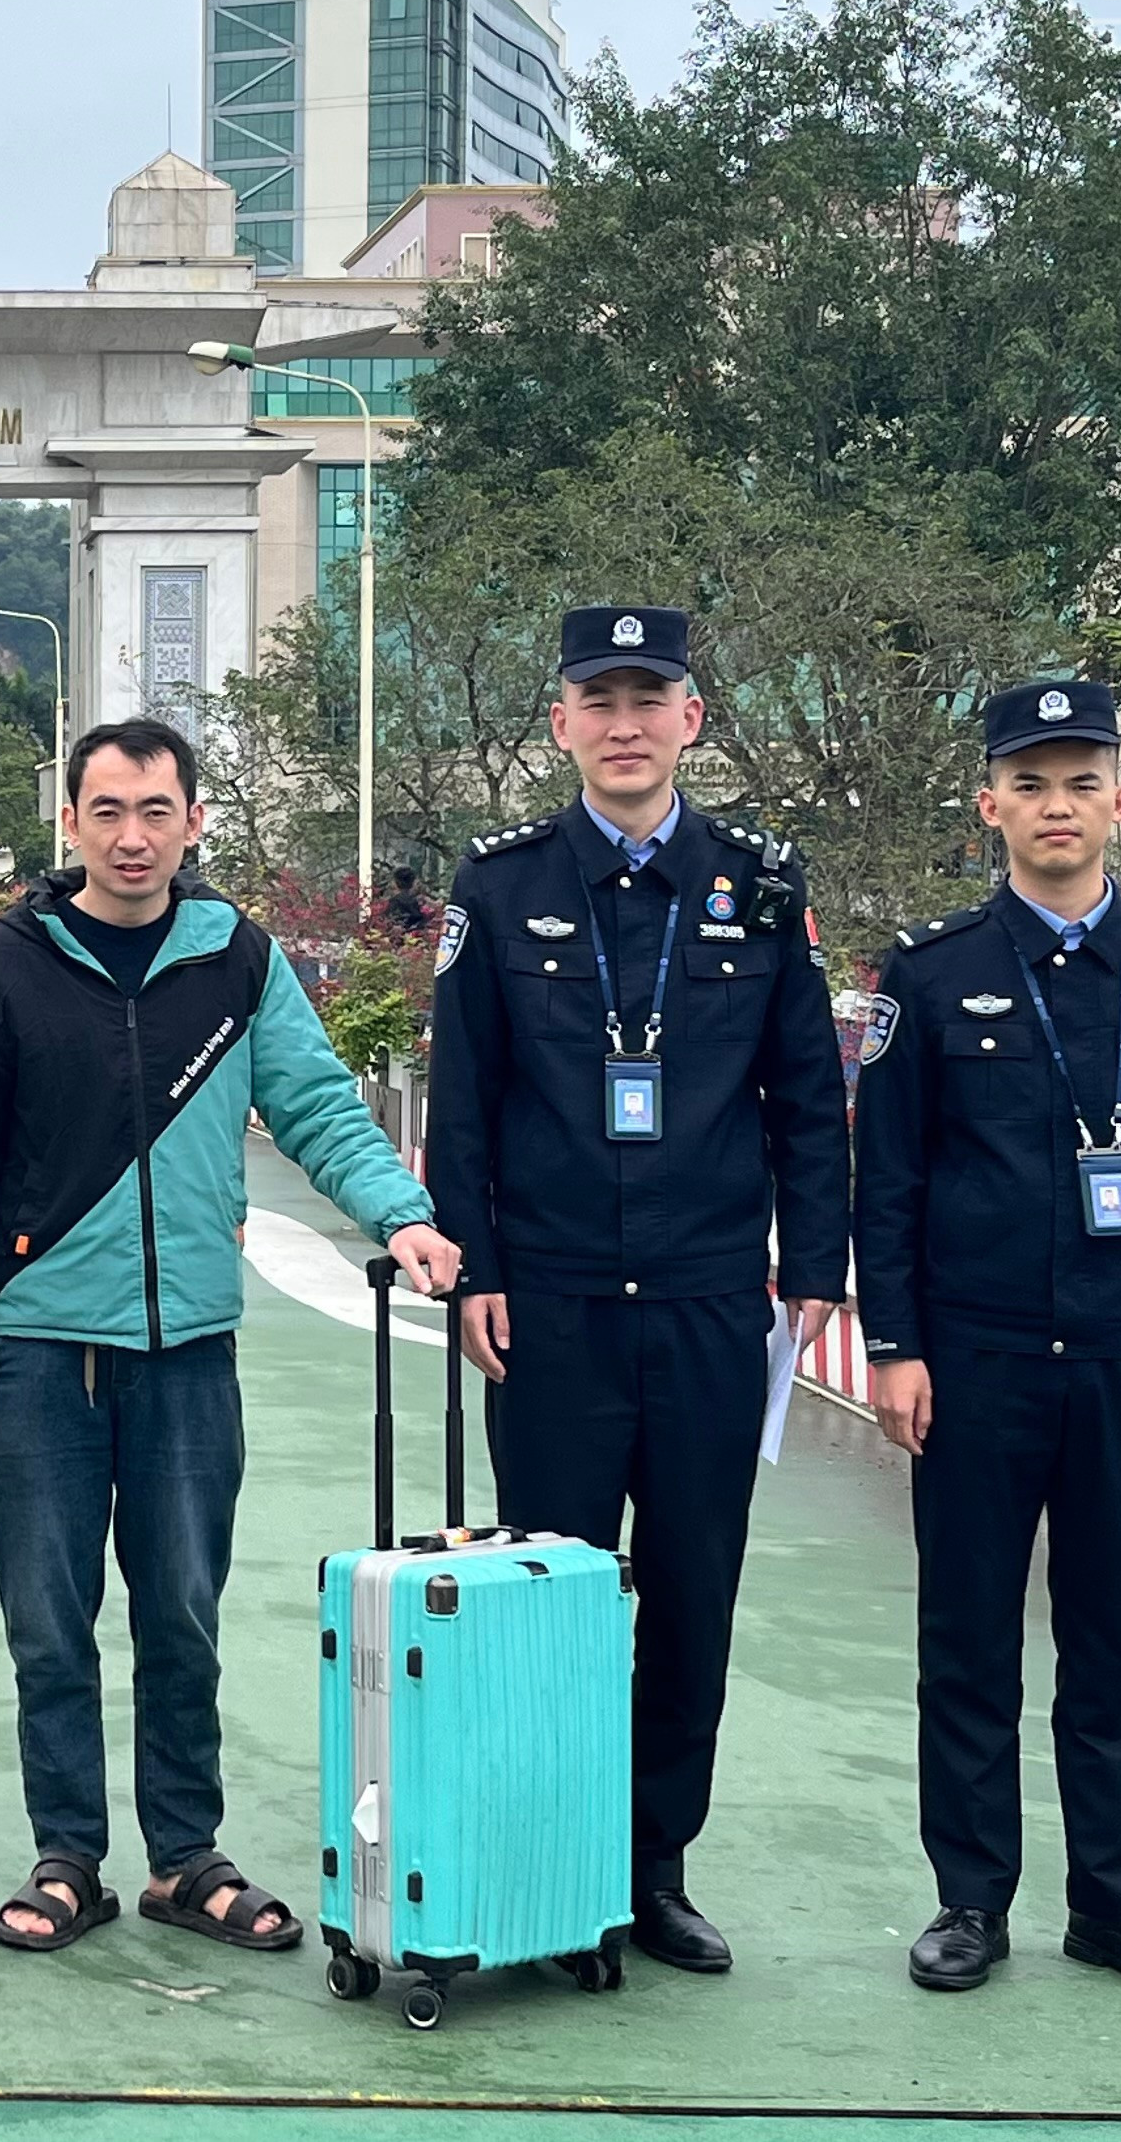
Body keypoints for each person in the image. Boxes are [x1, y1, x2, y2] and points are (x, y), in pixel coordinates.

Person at [0, 717, 459, 1957]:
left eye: (154, 811)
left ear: (194, 822)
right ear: (70, 823)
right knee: (49, 1621)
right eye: (105, 811)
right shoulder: (9, 965)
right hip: (39, 1349)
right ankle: (68, 1855)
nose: (130, 836)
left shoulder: (237, 959)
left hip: (188, 1354)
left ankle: (183, 1857)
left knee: (182, 1612)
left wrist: (405, 1214)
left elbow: (319, 1101)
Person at [422, 605, 851, 1977]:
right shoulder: (497, 889)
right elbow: (468, 1104)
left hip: (712, 1304)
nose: (623, 724)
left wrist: (817, 1275)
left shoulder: (764, 891)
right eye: (597, 702)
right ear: (559, 724)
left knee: (692, 1590)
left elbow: (808, 1101)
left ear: (691, 720)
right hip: (546, 1304)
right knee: (547, 1596)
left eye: (647, 699)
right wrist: (474, 1265)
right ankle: (555, 1878)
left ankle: (650, 1868)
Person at [853, 678, 1121, 2003]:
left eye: (1081, 782)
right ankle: (971, 1900)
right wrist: (894, 1344)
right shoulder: (936, 971)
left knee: (1110, 1640)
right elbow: (890, 1178)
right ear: (992, 806)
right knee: (967, 1637)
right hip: (977, 1360)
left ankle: (1115, 1904)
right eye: (1031, 783)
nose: (1057, 806)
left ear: (1118, 802)